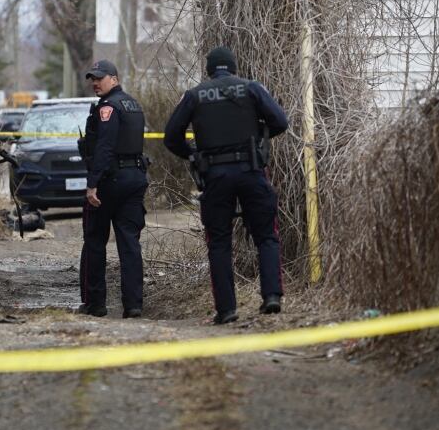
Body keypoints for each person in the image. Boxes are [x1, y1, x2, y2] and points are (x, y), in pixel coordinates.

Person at [163, 46, 289, 324]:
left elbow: (171, 137)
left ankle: (226, 309)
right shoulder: (252, 88)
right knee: (266, 235)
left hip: (215, 176)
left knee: (219, 242)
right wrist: (260, 137)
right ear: (233, 68)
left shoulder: (195, 95)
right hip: (251, 171)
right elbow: (280, 121)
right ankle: (271, 296)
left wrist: (192, 153)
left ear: (209, 71)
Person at [78, 60, 148, 318]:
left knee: (95, 240)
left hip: (110, 182)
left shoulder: (107, 108)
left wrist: (92, 184)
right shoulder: (132, 104)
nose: (95, 82)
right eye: (92, 79)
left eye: (100, 78)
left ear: (114, 79)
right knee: (130, 243)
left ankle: (95, 303)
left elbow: (105, 148)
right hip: (135, 178)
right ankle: (133, 305)